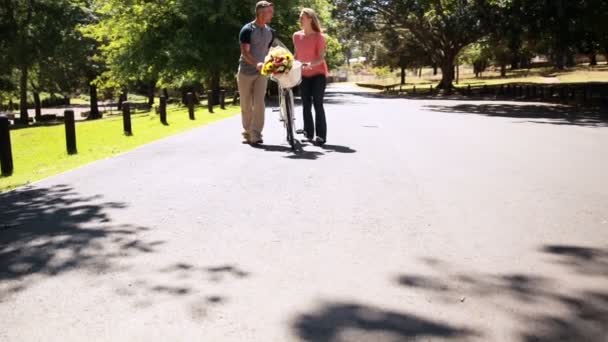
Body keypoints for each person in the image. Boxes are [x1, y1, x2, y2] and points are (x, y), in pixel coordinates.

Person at [238, 1, 275, 145]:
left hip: (262, 73)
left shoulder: (270, 32)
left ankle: (256, 133)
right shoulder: (247, 30)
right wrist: (256, 63)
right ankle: (247, 131)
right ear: (261, 13)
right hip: (246, 72)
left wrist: (273, 62)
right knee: (246, 104)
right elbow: (245, 52)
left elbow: (269, 51)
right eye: (270, 12)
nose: (272, 14)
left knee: (259, 103)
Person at [293, 8, 329, 146]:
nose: (300, 19)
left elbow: (321, 57)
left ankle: (321, 135)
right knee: (305, 104)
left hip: (318, 74)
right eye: (300, 17)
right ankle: (308, 134)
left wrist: (310, 64)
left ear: (310, 19)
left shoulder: (319, 37)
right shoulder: (296, 36)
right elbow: (296, 55)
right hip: (304, 74)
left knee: (317, 103)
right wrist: (291, 65)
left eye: (303, 17)